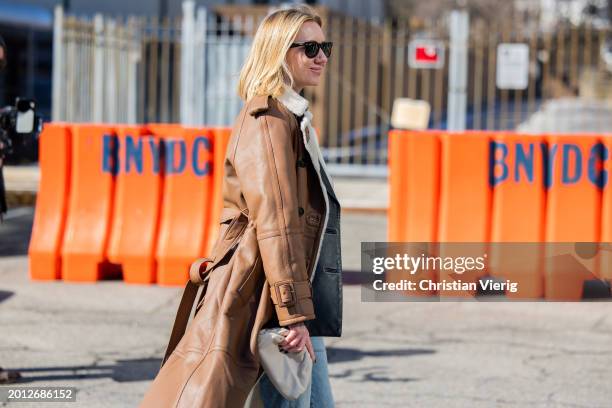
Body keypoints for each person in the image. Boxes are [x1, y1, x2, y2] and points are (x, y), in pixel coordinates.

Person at [139, 4, 342, 407]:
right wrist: (293, 313)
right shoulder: (268, 120)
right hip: (272, 298)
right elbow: (277, 222)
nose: (321, 57)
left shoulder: (291, 116)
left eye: (325, 47)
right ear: (279, 52)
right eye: (310, 48)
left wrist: (300, 307)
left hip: (292, 294)